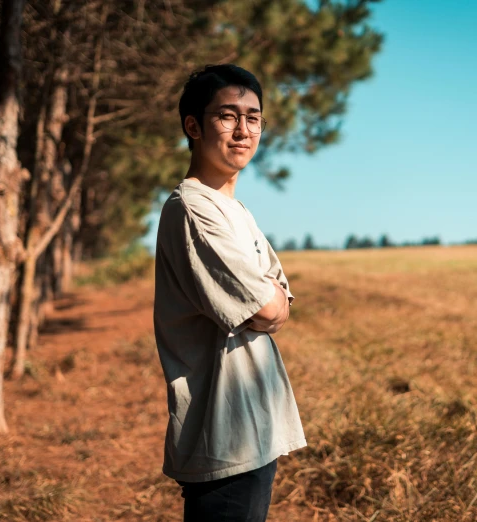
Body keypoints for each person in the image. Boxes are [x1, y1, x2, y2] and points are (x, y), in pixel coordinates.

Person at [152, 64, 307, 521]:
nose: (244, 130)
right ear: (193, 126)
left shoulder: (234, 209)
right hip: (223, 435)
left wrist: (271, 301)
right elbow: (266, 305)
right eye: (227, 116)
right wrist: (270, 300)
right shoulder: (194, 210)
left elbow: (281, 305)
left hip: (253, 426)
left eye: (253, 117)